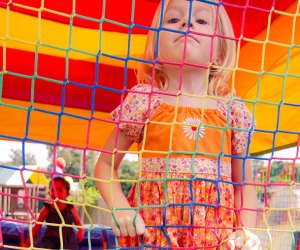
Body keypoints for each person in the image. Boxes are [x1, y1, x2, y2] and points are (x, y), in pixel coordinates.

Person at [94, 0, 261, 249]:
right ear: (157, 44)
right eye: (173, 19)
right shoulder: (145, 101)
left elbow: (244, 184)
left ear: (219, 48)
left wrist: (246, 231)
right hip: (153, 234)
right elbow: (106, 164)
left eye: (201, 21)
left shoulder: (233, 113)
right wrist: (120, 208)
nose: (187, 24)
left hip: (214, 238)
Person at [23, 176, 84, 249]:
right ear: (49, 193)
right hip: (51, 241)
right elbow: (36, 227)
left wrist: (81, 230)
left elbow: (78, 222)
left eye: (60, 190)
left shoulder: (70, 208)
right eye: (53, 190)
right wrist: (27, 243)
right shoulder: (47, 209)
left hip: (68, 240)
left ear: (67, 194)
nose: (56, 193)